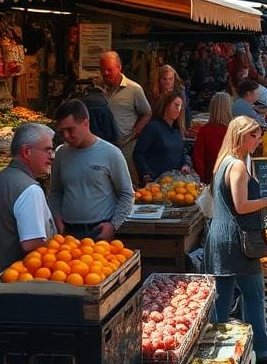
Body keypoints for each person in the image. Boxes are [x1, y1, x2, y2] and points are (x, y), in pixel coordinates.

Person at [206, 117, 267, 364]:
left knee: (223, 298)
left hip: (221, 237)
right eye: (254, 135)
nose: (258, 140)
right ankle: (264, 353)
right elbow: (241, 205)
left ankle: (212, 352)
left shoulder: (223, 162)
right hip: (238, 240)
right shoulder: (237, 166)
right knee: (254, 294)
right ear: (241, 136)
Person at [0, 122, 57, 283]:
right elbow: (32, 243)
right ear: (27, 152)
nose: (52, 156)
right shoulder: (30, 190)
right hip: (20, 281)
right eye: (47, 150)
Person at [48, 99, 134, 241]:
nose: (66, 136)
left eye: (70, 129)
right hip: (68, 233)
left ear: (85, 123)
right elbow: (55, 192)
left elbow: (127, 194)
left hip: (99, 231)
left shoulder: (111, 153)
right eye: (61, 131)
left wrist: (113, 225)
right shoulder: (61, 154)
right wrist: (57, 218)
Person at [98, 50, 152, 183]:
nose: (105, 73)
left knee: (127, 183)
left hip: (126, 147)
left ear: (119, 68)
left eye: (109, 70)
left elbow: (147, 112)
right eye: (102, 70)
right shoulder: (98, 89)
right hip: (104, 146)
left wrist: (137, 129)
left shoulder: (134, 89)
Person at [133, 90, 191, 184]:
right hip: (154, 184)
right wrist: (146, 174)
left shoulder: (177, 131)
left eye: (181, 106)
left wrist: (186, 164)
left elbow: (182, 152)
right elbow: (138, 153)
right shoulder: (153, 127)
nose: (179, 109)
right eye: (176, 105)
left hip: (174, 184)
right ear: (166, 105)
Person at [193, 92, 233, 183]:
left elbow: (198, 159)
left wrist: (202, 180)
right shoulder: (233, 131)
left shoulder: (204, 131)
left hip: (210, 179)